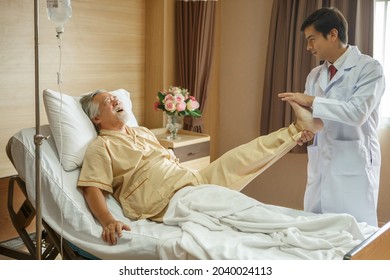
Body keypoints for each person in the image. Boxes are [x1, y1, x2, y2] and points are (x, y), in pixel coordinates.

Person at [78, 90, 323, 245]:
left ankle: (297, 130)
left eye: (115, 97)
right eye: (109, 102)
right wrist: (108, 220)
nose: (116, 100)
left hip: (188, 180)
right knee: (240, 208)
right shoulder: (101, 147)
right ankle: (311, 232)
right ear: (97, 118)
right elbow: (92, 188)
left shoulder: (141, 132)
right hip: (168, 198)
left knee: (241, 157)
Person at [278, 7, 385, 227]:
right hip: (322, 162)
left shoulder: (369, 69)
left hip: (354, 160)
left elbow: (356, 113)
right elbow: (316, 121)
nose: (308, 47)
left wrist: (310, 100)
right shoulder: (315, 75)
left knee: (354, 234)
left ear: (333, 35)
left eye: (312, 39)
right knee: (316, 230)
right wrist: (305, 132)